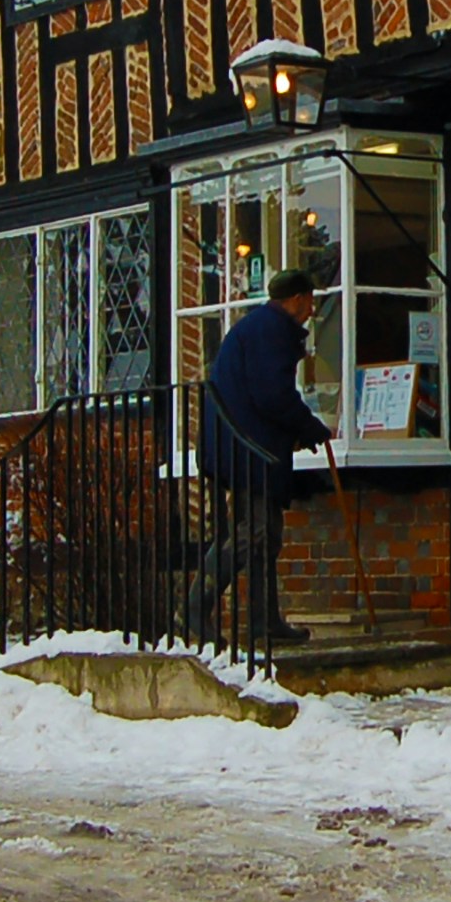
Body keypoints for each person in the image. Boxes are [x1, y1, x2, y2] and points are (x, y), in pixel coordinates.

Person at [194, 268, 334, 646]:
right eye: (310, 302)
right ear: (298, 299)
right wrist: (307, 426)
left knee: (266, 535)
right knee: (253, 532)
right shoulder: (271, 330)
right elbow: (272, 395)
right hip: (248, 448)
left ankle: (264, 620)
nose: (311, 310)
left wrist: (296, 429)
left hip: (245, 445)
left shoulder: (258, 327)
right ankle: (193, 607)